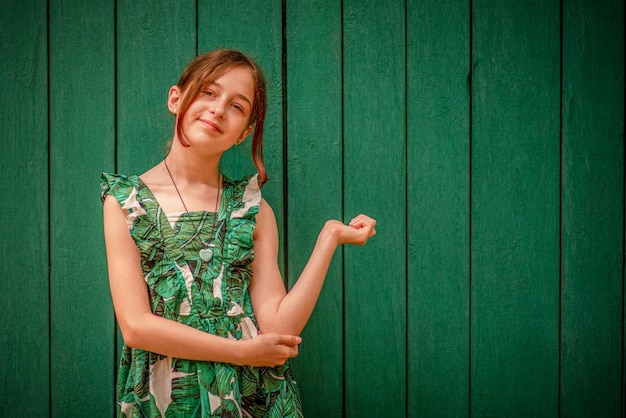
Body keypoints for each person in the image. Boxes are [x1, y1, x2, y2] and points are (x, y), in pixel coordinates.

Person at [101, 49, 376, 417]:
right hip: (166, 398)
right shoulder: (126, 202)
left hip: (252, 395)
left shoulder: (254, 210)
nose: (218, 109)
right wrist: (241, 351)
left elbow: (278, 326)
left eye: (237, 106)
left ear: (244, 133)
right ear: (176, 98)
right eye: (209, 93)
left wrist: (329, 239)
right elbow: (136, 326)